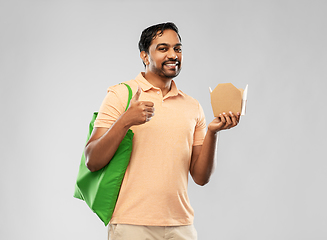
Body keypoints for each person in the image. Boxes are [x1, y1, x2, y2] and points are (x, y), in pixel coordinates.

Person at [85, 22, 240, 240]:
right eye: (163, 48)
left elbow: (201, 177)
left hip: (181, 226)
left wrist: (213, 133)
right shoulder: (121, 95)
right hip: (132, 225)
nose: (173, 54)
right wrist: (125, 120)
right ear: (145, 56)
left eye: (177, 48)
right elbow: (92, 160)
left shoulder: (192, 106)